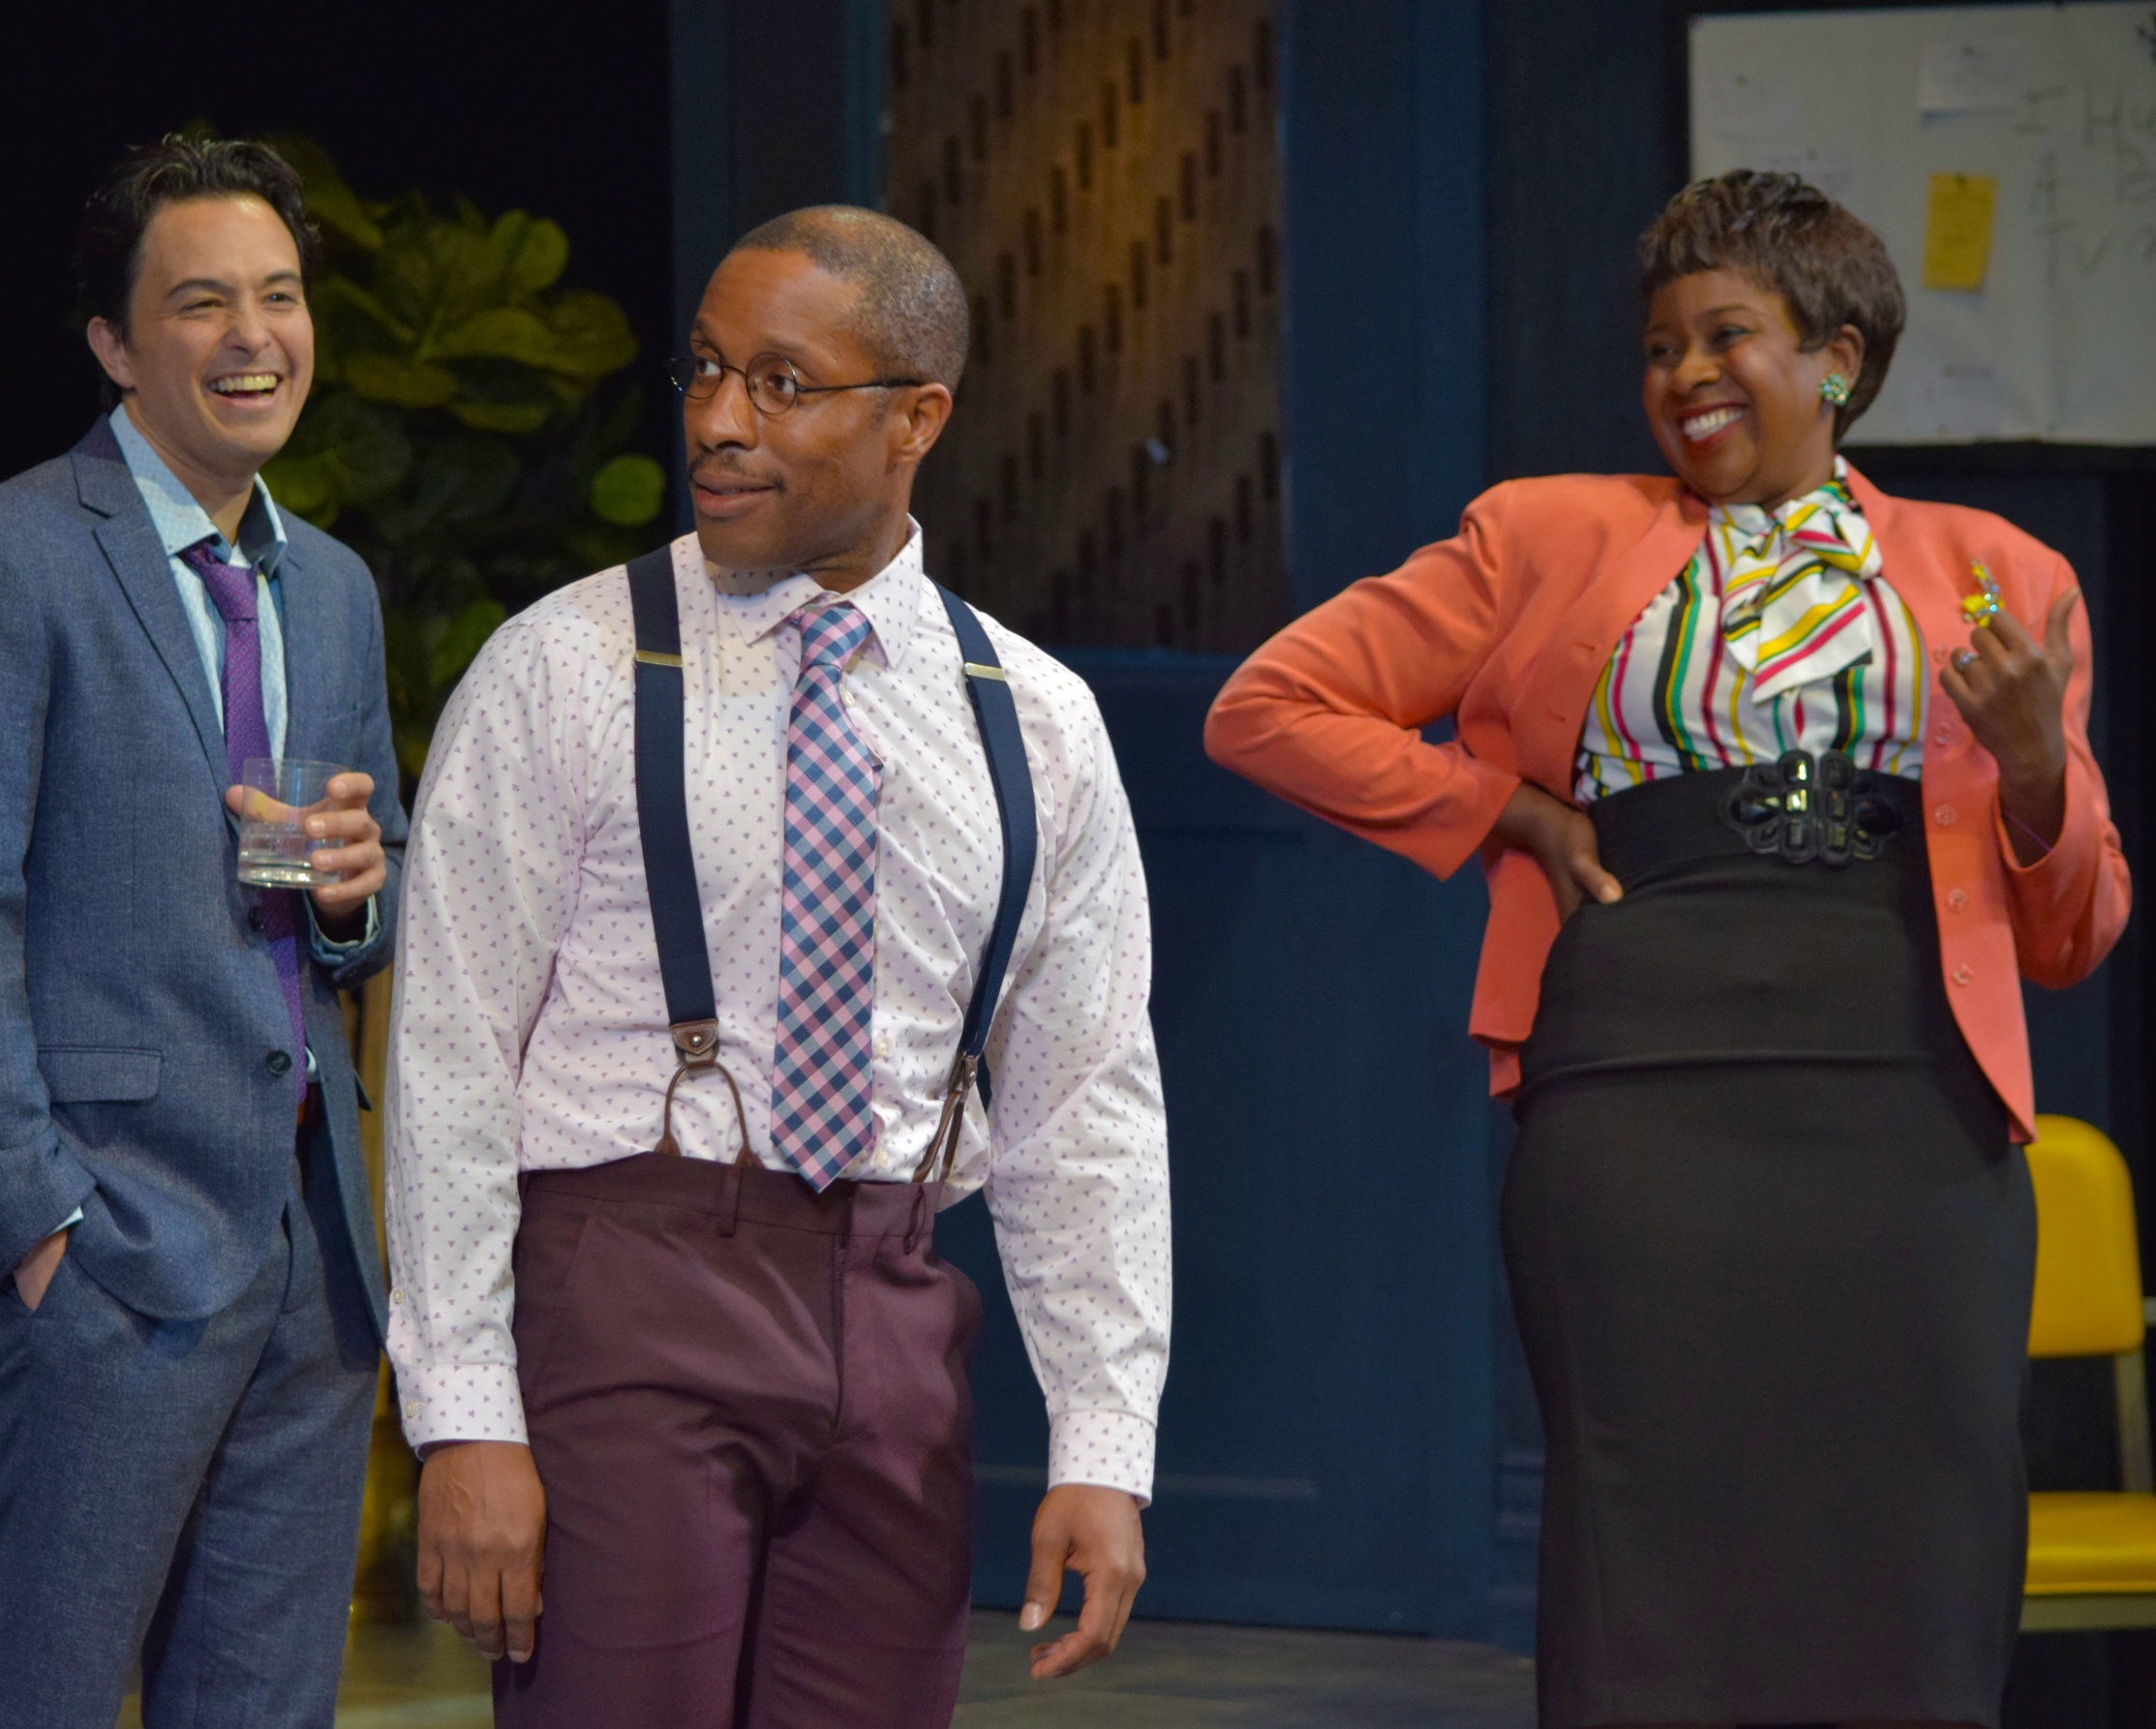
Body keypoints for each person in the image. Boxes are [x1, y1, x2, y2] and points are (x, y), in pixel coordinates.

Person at [1205, 170, 2129, 1729]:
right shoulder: (1550, 535)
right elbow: (1267, 707)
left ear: (1837, 357)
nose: (1686, 376)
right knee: (1655, 1521)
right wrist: (1502, 807)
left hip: (1909, 1090)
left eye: (1727, 336)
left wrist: (2036, 769)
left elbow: (2074, 935)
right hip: (1642, 1084)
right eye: (1658, 349)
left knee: (1917, 1519)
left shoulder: (2002, 574)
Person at [385, 204, 1171, 1727]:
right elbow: (448, 1061)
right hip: (631, 1282)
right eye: (706, 373)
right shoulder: (564, 664)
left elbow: (1090, 1105)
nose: (721, 424)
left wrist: (1100, 1440)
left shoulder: (1037, 719)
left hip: (892, 1310)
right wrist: (466, 1417)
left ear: (917, 418)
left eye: (783, 384)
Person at [0, 135, 407, 1725]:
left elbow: (352, 905)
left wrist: (361, 890)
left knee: (264, 1703)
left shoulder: (338, 589)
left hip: (309, 1251)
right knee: (40, 1689)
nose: (256, 337)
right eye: (201, 303)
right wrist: (33, 1224)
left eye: (282, 296)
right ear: (114, 343)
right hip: (103, 1245)